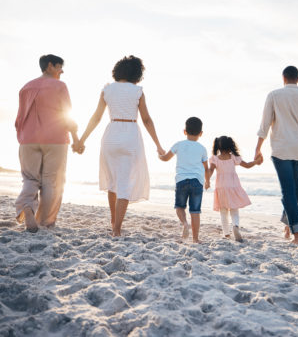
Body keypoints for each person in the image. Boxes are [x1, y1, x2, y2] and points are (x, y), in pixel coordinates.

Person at [73, 55, 165, 236]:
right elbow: (146, 120)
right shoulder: (137, 91)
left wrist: (82, 140)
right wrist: (158, 145)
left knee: (112, 183)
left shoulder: (107, 90)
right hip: (130, 134)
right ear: (137, 73)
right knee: (124, 185)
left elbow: (96, 117)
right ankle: (116, 229)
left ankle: (114, 221)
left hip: (111, 134)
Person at [255, 66, 298, 246]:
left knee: (288, 192)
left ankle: (297, 233)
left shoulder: (274, 95)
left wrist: (258, 149)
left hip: (281, 149)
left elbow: (265, 124)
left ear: (283, 78)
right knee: (294, 191)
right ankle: (288, 227)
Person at [15, 54, 79, 232]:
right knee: (52, 181)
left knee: (30, 178)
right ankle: (45, 221)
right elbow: (67, 114)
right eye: (59, 67)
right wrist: (76, 139)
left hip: (28, 139)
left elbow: (19, 118)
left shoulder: (25, 88)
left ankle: (26, 206)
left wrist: (23, 137)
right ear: (50, 66)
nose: (62, 71)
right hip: (55, 139)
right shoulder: (60, 86)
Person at [159, 117, 209, 243]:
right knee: (195, 211)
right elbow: (206, 168)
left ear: (184, 131)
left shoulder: (178, 145)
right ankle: (196, 239)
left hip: (181, 180)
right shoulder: (202, 148)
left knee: (179, 207)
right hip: (197, 181)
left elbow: (165, 158)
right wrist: (207, 181)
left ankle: (185, 224)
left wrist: (160, 154)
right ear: (201, 133)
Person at [209, 136, 262, 242]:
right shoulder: (233, 157)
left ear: (218, 146)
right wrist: (256, 162)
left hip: (221, 188)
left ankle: (226, 234)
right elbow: (247, 165)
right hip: (233, 186)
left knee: (223, 211)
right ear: (230, 145)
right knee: (234, 209)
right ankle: (236, 226)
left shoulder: (214, 158)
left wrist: (206, 181)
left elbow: (210, 171)